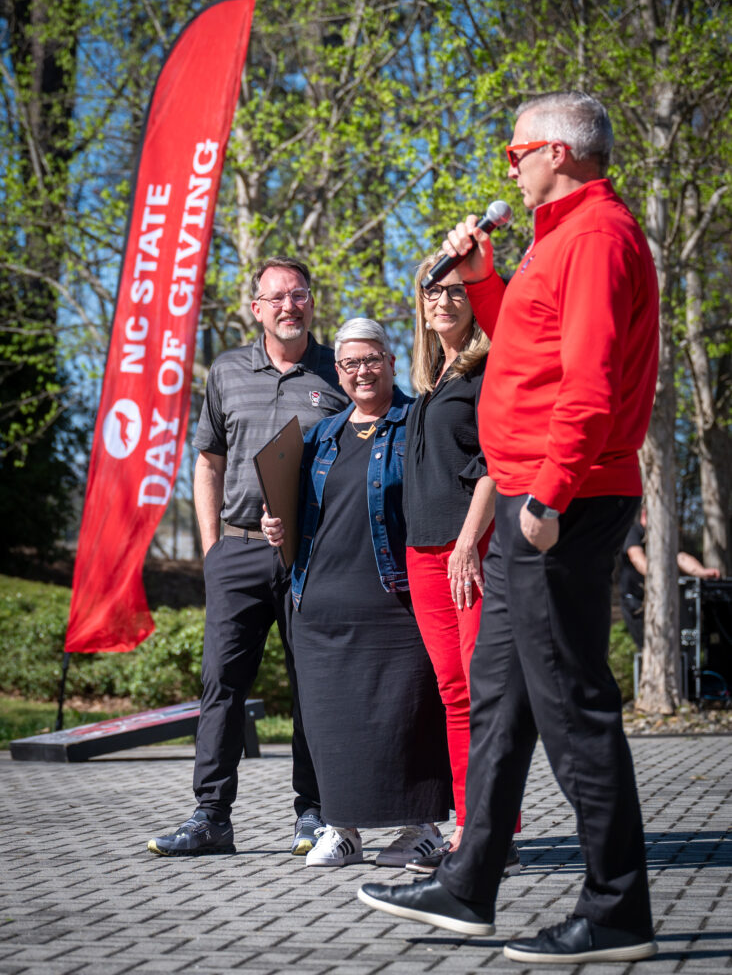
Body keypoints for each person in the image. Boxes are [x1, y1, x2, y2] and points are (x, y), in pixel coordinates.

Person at [359, 91, 661, 964]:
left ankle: (618, 909)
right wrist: (485, 276)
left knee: (573, 706)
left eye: (515, 150)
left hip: (558, 504)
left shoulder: (598, 238)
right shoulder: (554, 243)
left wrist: (551, 498)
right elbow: (530, 350)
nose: (509, 167)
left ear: (558, 153)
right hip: (538, 500)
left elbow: (592, 383)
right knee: (497, 704)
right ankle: (469, 881)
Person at [147, 256, 349, 858]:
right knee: (221, 687)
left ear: (312, 302)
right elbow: (207, 460)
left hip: (311, 556)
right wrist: (212, 550)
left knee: (312, 686)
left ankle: (313, 816)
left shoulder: (338, 371)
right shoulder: (228, 372)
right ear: (256, 308)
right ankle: (211, 817)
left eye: (301, 294)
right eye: (278, 297)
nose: (291, 305)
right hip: (236, 551)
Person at [262, 318, 452, 868]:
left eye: (372, 359)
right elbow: (302, 516)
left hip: (395, 597)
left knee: (407, 717)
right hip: (319, 602)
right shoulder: (321, 434)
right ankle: (341, 828)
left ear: (392, 362)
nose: (362, 371)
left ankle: (421, 829)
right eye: (350, 363)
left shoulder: (417, 422)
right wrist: (280, 530)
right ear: (339, 373)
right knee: (330, 720)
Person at [402, 255, 520, 875]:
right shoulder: (433, 378)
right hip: (422, 552)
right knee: (453, 693)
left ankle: (491, 834)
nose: (442, 300)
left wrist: (470, 541)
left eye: (454, 290)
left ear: (473, 299)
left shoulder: (490, 366)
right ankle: (468, 829)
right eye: (432, 291)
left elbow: (498, 461)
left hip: (469, 548)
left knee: (480, 692)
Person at [620, 506, 721, 648]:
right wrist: (658, 576)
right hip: (635, 601)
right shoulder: (635, 532)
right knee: (647, 647)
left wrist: (702, 572)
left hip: (660, 601)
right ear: (645, 515)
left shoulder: (662, 537)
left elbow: (680, 558)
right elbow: (637, 558)